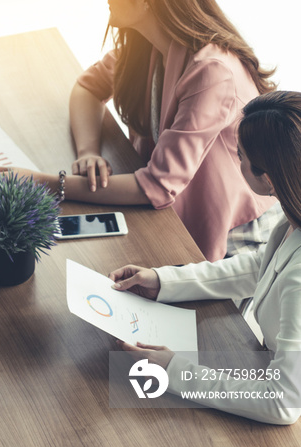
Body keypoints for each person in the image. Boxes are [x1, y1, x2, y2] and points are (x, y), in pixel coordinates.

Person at [0, 0, 280, 262]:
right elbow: (88, 86)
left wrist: (45, 184)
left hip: (234, 234)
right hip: (167, 208)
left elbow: (158, 185)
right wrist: (88, 152)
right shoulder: (149, 44)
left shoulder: (211, 71)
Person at [108, 90, 301, 425]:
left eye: (239, 155)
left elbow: (283, 402)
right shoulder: (292, 217)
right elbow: (262, 266)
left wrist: (174, 370)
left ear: (267, 178)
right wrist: (163, 281)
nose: (235, 162)